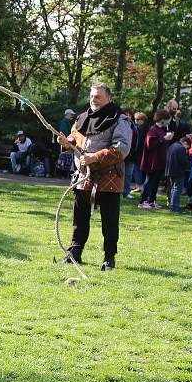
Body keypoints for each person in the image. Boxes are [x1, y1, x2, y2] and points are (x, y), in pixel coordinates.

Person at [59, 83, 131, 271]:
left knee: (109, 222)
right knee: (79, 219)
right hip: (83, 177)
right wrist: (67, 143)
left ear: (109, 98)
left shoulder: (119, 119)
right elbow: (74, 138)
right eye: (92, 96)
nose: (94, 99)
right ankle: (75, 252)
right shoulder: (82, 118)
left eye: (98, 96)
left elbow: (122, 147)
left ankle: (109, 258)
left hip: (109, 178)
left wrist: (95, 157)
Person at [138, 110, 173, 209]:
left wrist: (167, 139)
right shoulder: (153, 130)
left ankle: (152, 201)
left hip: (159, 162)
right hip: (151, 162)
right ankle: (142, 201)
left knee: (155, 183)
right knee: (149, 182)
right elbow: (150, 145)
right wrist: (163, 139)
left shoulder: (162, 129)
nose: (168, 122)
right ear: (162, 120)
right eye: (167, 120)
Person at [165, 136, 191, 213]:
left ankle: (172, 204)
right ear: (185, 143)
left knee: (173, 188)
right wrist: (190, 164)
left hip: (170, 171)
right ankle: (175, 207)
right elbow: (183, 161)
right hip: (178, 171)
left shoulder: (172, 146)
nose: (187, 150)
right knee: (177, 189)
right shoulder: (181, 148)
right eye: (187, 147)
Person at [121, 108, 139, 199]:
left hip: (131, 154)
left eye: (130, 114)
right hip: (122, 152)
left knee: (128, 174)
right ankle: (117, 191)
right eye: (126, 114)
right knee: (119, 173)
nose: (128, 116)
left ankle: (126, 192)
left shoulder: (134, 126)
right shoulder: (120, 124)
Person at [131, 111, 149, 192]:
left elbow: (140, 142)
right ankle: (140, 186)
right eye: (135, 119)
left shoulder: (141, 129)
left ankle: (140, 186)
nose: (136, 121)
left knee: (137, 169)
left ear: (143, 120)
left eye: (138, 119)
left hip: (140, 152)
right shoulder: (140, 128)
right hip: (142, 152)